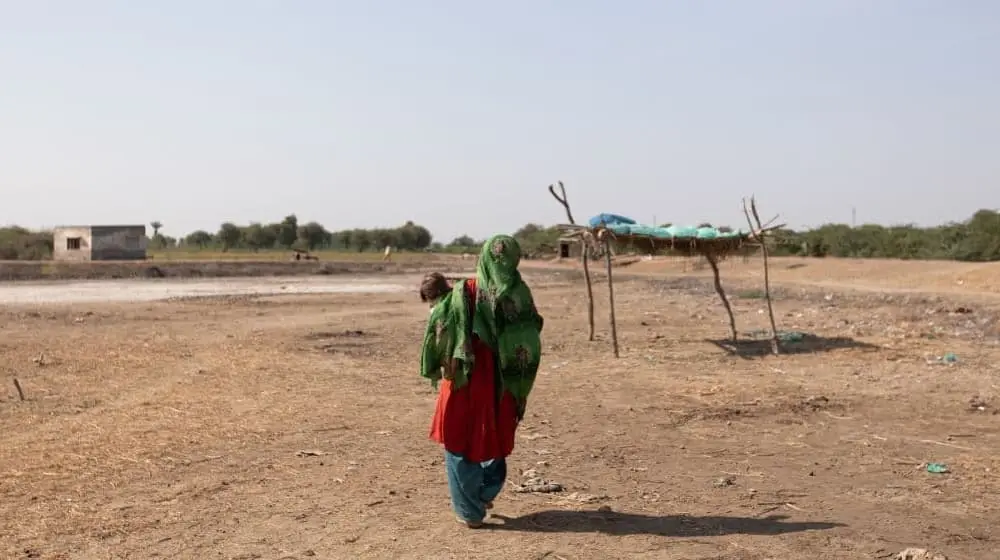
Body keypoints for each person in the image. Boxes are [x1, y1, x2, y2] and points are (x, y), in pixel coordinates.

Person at [419, 235, 544, 528]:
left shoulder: (463, 292)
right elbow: (532, 332)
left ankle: (470, 511)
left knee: (458, 440)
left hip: (464, 380)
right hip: (501, 382)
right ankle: (486, 491)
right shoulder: (520, 295)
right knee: (496, 437)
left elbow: (437, 329)